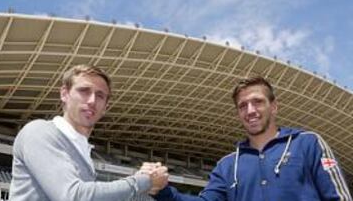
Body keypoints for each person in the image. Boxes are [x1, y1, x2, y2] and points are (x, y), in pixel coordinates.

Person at [149, 76, 352, 201]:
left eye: (257, 102)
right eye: (242, 106)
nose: (250, 110)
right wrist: (163, 190)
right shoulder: (227, 165)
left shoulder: (308, 143)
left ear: (274, 107)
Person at [9, 65, 168, 201]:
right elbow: (72, 196)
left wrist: (143, 177)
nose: (92, 101)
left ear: (105, 107)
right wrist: (143, 181)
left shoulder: (83, 152)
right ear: (64, 94)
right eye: (84, 90)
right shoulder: (39, 131)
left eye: (100, 96)